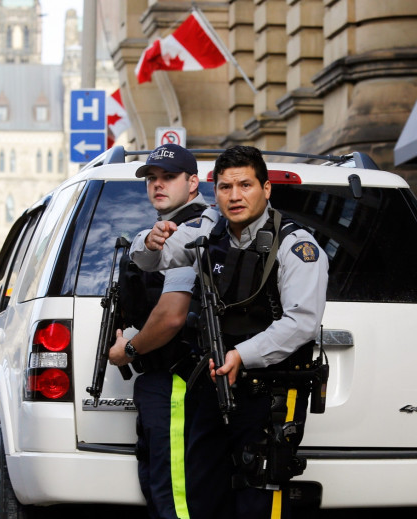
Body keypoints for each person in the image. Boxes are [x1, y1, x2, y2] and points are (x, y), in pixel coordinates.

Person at [130, 145, 328, 519]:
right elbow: (154, 258)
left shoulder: (296, 246)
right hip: (213, 382)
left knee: (257, 498)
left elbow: (301, 322)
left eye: (245, 185)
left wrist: (242, 355)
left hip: (269, 390)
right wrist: (149, 240)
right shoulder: (209, 227)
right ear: (213, 190)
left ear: (266, 189)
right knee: (202, 492)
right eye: (224, 187)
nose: (234, 196)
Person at [108, 143, 207, 519]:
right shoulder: (156, 236)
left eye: (169, 177)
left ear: (193, 182)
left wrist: (127, 351)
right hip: (162, 381)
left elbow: (171, 318)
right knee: (158, 485)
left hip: (181, 377)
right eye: (152, 178)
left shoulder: (196, 231)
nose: (158, 185)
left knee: (175, 498)